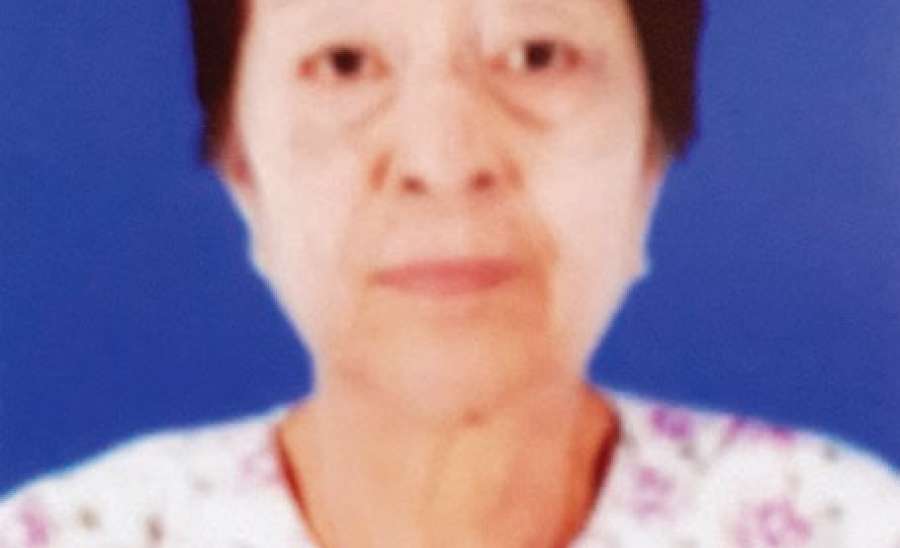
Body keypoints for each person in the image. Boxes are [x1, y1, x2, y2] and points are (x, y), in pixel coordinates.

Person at [2, 0, 898, 546]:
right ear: (242, 169)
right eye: (345, 63)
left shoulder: (844, 526)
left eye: (537, 55)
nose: (444, 157)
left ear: (651, 156)